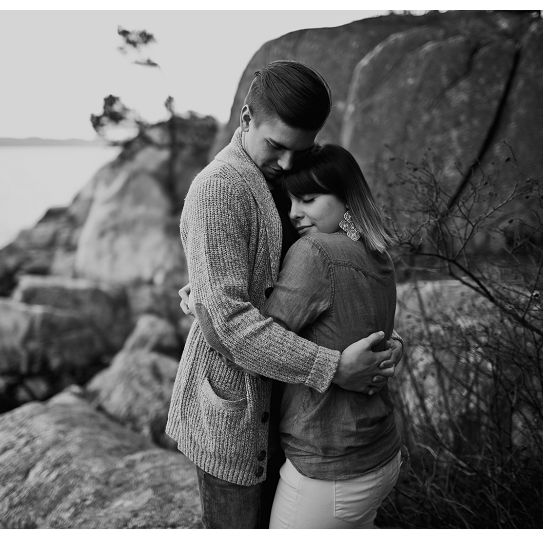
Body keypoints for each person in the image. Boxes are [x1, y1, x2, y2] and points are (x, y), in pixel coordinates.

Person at [166, 60, 404, 529]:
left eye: (302, 148)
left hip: (293, 410)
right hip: (235, 414)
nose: (289, 163)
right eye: (276, 146)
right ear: (246, 119)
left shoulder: (283, 176)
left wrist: (379, 334)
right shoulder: (219, 190)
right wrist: (333, 367)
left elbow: (338, 253)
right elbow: (229, 324)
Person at [265, 143, 401, 528]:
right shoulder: (378, 252)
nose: (295, 214)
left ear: (347, 198)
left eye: (308, 199)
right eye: (290, 202)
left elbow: (261, 340)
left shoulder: (315, 251)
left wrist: (208, 301)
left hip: (327, 468)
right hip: (382, 454)